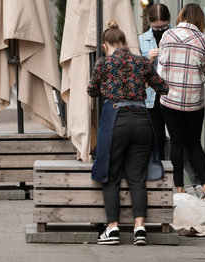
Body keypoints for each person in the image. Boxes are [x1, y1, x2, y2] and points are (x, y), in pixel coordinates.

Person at [87, 21, 169, 246]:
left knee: (111, 176)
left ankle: (112, 229)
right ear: (124, 42)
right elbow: (163, 87)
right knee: (137, 177)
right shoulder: (141, 62)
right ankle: (139, 228)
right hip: (142, 120)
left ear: (105, 45)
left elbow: (91, 90)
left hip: (116, 120)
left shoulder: (103, 64)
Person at [158, 3, 205, 202]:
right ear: (200, 19)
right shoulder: (204, 39)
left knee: (176, 143)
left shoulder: (167, 35)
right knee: (194, 143)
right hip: (194, 100)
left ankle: (179, 189)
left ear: (181, 16)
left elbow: (161, 64)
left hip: (170, 98)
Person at [138, 3, 172, 160]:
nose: (160, 31)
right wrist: (148, 59)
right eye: (156, 28)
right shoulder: (141, 40)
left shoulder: (176, 36)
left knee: (176, 137)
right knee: (156, 136)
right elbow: (136, 70)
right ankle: (158, 168)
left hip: (172, 92)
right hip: (151, 96)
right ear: (149, 22)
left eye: (163, 27)